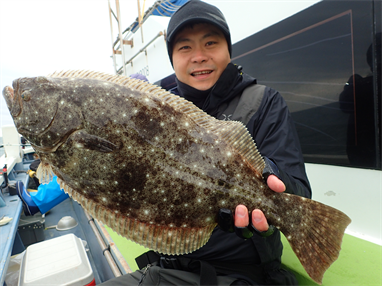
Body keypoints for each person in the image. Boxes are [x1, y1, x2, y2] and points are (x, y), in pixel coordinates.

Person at [100, 1, 311, 285]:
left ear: (228, 49)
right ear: (173, 57)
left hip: (240, 273)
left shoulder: (264, 102)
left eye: (210, 43)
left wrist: (267, 173)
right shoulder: (150, 109)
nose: (199, 56)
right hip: (167, 265)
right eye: (185, 47)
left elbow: (299, 191)